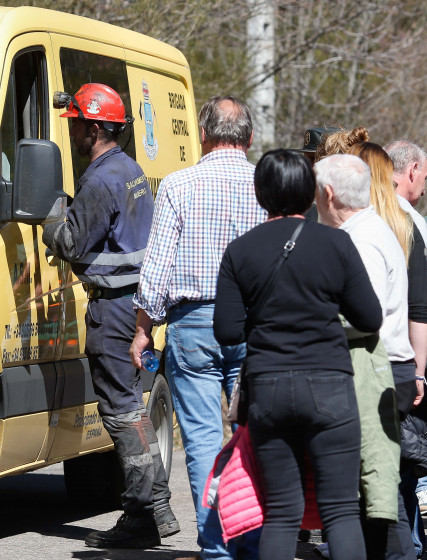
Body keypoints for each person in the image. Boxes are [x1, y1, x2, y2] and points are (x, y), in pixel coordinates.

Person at [214, 149, 381, 560]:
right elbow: (370, 316)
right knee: (341, 511)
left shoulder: (240, 251)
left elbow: (227, 331)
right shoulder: (336, 243)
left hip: (269, 389)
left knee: (282, 512)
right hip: (330, 387)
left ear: (260, 193)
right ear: (311, 193)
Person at [131, 96, 266, 560]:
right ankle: (251, 542)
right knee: (255, 437)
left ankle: (216, 546)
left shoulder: (179, 184)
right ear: (248, 138)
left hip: (194, 323)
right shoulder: (264, 185)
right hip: (255, 323)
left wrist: (144, 327)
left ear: (202, 136)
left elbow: (157, 264)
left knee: (204, 441)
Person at [41, 83, 175, 550]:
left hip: (113, 309)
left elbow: (69, 242)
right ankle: (154, 507)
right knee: (130, 407)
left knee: (120, 412)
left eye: (77, 124)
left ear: (95, 128)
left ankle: (144, 514)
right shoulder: (130, 169)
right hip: (133, 305)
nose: (73, 131)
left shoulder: (99, 181)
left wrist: (54, 209)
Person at [315, 153, 417, 560]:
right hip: (381, 370)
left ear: (328, 194)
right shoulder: (365, 231)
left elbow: (366, 314)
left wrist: (311, 322)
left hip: (379, 373)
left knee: (378, 492)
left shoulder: (361, 239)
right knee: (375, 489)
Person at [384, 140, 427, 244]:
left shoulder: (363, 208)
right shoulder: (414, 221)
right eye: (425, 178)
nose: (424, 192)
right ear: (413, 169)